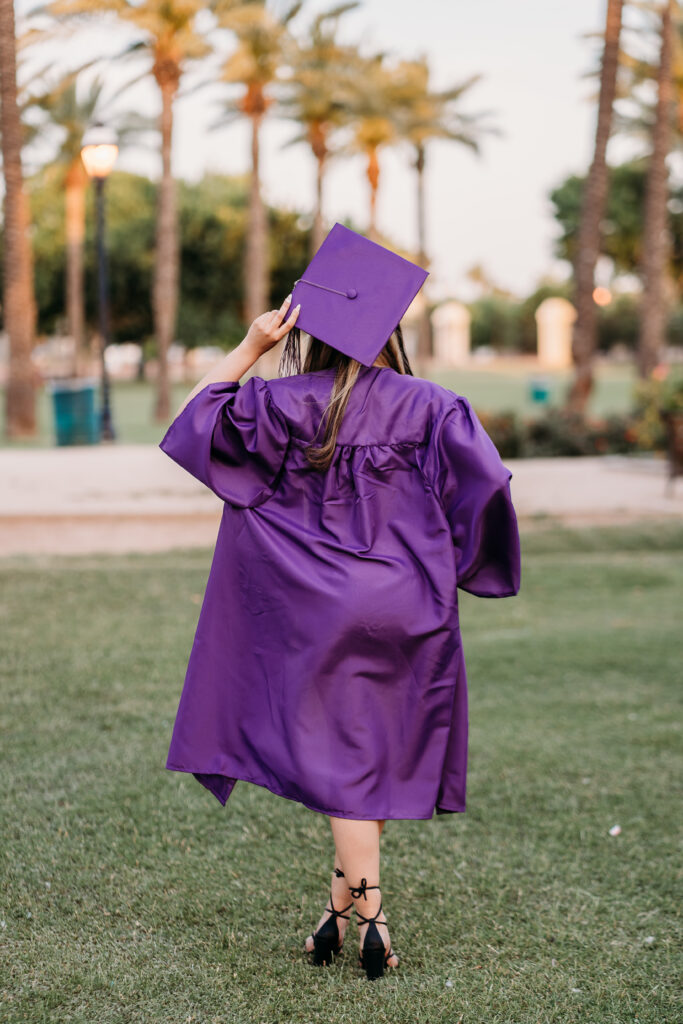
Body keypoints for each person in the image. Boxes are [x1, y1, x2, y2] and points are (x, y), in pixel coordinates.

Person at [158, 223, 521, 981]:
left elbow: (193, 422)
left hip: (315, 611)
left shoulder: (280, 404)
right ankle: (337, 912)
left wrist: (253, 345)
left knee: (350, 757)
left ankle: (371, 915)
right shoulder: (435, 406)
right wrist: (463, 564)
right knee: (371, 751)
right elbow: (485, 490)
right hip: (408, 602)